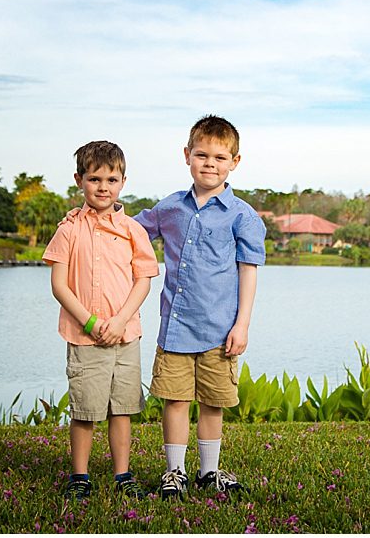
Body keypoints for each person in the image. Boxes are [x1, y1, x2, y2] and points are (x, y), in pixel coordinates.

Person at [135, 115, 266, 499]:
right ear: (187, 155)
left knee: (213, 402)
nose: (210, 163)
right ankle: (175, 471)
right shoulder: (170, 208)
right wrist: (93, 216)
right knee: (175, 400)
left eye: (220, 157)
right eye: (202, 154)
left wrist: (241, 326)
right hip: (176, 327)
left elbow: (248, 272)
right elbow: (131, 230)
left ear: (235, 162)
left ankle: (209, 471)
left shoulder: (242, 215)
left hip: (220, 329)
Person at [42, 140, 159, 500]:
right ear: (79, 180)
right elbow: (59, 286)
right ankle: (80, 476)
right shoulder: (69, 229)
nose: (103, 187)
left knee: (122, 409)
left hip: (126, 336)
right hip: (84, 337)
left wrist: (121, 320)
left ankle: (123, 475)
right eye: (95, 179)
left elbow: (144, 280)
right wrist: (91, 323)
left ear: (123, 181)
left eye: (111, 179)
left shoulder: (133, 231)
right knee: (86, 410)